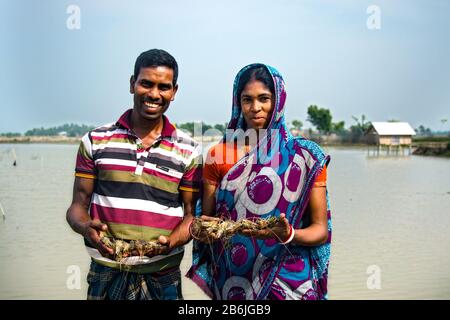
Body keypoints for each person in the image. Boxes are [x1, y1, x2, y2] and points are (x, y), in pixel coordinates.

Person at [187, 63, 331, 300]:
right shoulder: (219, 155)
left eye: (264, 98)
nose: (255, 108)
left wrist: (288, 234)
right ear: (238, 103)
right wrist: (206, 229)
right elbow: (207, 223)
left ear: (278, 101)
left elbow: (319, 230)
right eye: (247, 100)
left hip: (288, 275)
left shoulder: (305, 156)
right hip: (235, 277)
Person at [66, 49, 202, 300]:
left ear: (174, 91)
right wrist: (86, 227)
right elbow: (77, 207)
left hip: (163, 275)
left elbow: (192, 217)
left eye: (164, 87)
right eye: (146, 83)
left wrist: (171, 241)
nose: (153, 94)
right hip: (107, 271)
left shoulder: (189, 150)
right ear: (132, 84)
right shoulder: (95, 141)